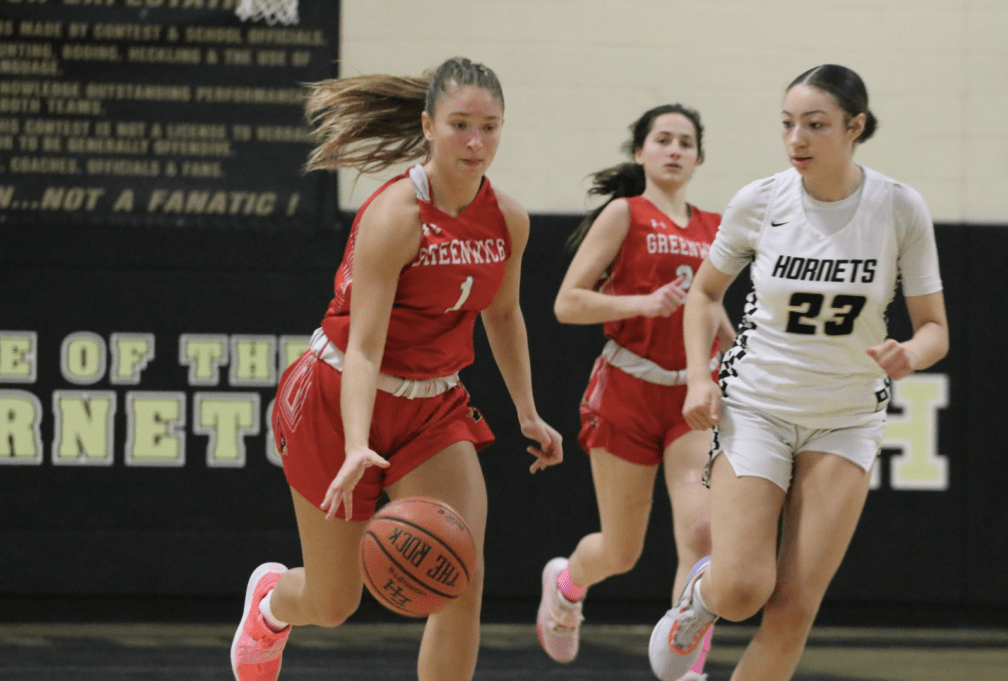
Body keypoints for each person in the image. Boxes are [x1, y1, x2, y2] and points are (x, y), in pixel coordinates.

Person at [229, 57, 564, 681]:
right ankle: (271, 606)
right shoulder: (395, 217)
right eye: (460, 124)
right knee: (332, 603)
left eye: (489, 127)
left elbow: (505, 314)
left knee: (458, 574)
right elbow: (363, 346)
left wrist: (527, 410)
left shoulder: (508, 220)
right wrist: (357, 445)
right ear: (428, 126)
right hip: (337, 395)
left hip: (432, 405)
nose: (475, 141)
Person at [647, 64, 949, 681]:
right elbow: (704, 296)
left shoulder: (898, 207)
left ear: (855, 126)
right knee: (741, 593)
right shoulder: (761, 200)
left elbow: (934, 329)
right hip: (758, 406)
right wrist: (700, 379)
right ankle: (702, 599)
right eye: (788, 125)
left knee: (793, 610)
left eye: (815, 125)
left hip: (845, 419)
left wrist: (910, 355)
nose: (796, 140)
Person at [535, 104, 735, 681]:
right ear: (640, 152)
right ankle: (567, 586)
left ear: (699, 158)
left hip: (690, 398)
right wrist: (640, 304)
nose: (674, 149)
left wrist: (740, 347)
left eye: (686, 142)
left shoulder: (715, 226)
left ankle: (685, 670)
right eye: (662, 139)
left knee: (701, 535)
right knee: (621, 552)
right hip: (625, 390)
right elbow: (567, 302)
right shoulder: (625, 214)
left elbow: (712, 301)